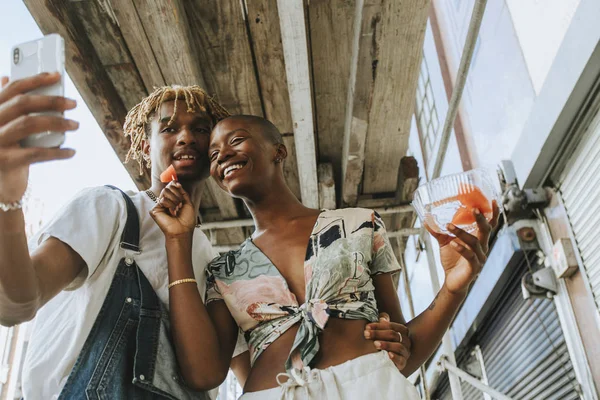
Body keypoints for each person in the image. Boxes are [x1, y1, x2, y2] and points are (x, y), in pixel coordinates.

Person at [0, 75, 410, 399]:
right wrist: (8, 203)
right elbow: (19, 302)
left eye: (200, 129)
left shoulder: (216, 264)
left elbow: (257, 374)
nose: (186, 137)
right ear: (145, 146)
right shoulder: (108, 209)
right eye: (169, 127)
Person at [151, 115, 499, 399]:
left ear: (278, 151)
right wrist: (177, 240)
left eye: (236, 140)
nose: (222, 155)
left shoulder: (359, 224)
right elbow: (203, 374)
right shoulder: (222, 270)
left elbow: (399, 354)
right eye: (213, 155)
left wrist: (454, 288)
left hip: (372, 389)